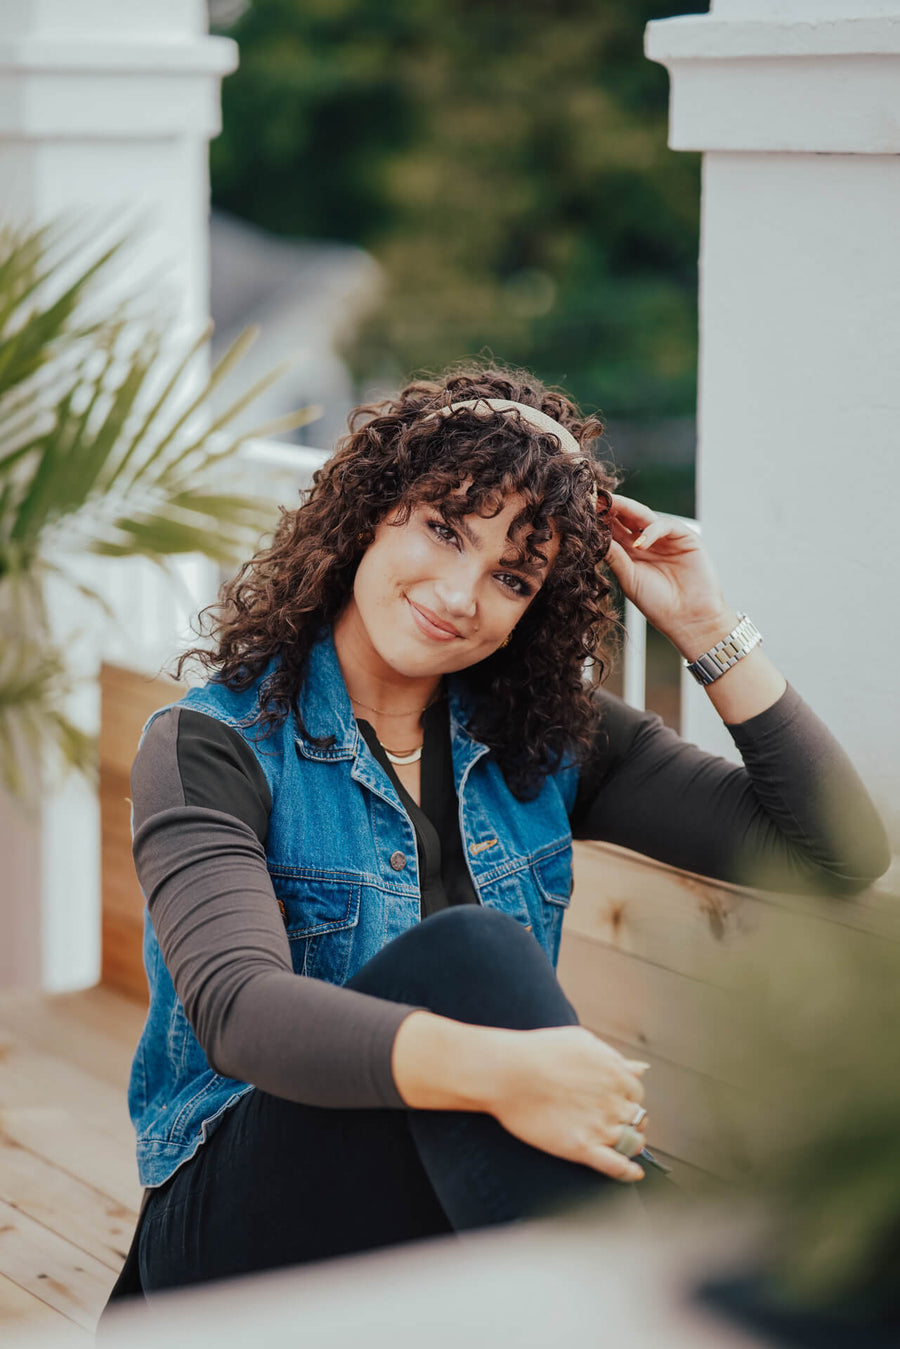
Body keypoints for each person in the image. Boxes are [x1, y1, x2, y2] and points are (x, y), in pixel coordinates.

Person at [102, 363, 890, 1307]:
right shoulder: (213, 744)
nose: (461, 593)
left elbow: (836, 850)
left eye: (511, 575)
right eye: (444, 528)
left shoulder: (544, 741)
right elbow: (239, 1009)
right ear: (371, 511)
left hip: (463, 1181)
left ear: (534, 609)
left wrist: (704, 622)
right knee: (469, 959)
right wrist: (507, 1067)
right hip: (231, 1229)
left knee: (812, 1271)